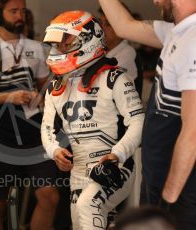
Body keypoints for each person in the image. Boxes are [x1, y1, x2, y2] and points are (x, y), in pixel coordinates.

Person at [41, 10, 144, 230]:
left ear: (88, 40)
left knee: (89, 205)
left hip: (116, 166)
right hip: (77, 171)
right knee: (80, 222)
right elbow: (47, 128)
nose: (59, 50)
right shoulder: (54, 88)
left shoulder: (115, 77)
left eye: (65, 44)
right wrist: (54, 151)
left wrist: (118, 154)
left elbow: (138, 121)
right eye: (57, 45)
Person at [98, 0, 196, 229]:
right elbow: (123, 26)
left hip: (181, 191)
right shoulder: (177, 31)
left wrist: (168, 201)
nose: (155, 1)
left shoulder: (193, 40)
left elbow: (192, 133)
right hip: (160, 179)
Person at [0, 0, 59, 229]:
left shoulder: (35, 48)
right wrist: (9, 97)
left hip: (35, 137)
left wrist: (42, 95)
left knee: (49, 196)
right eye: (14, 11)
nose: (20, 16)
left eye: (23, 11)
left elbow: (45, 85)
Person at [98, 7, 143, 97]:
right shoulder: (101, 50)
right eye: (100, 23)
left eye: (107, 24)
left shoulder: (128, 53)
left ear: (122, 27)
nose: (101, 28)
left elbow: (109, 88)